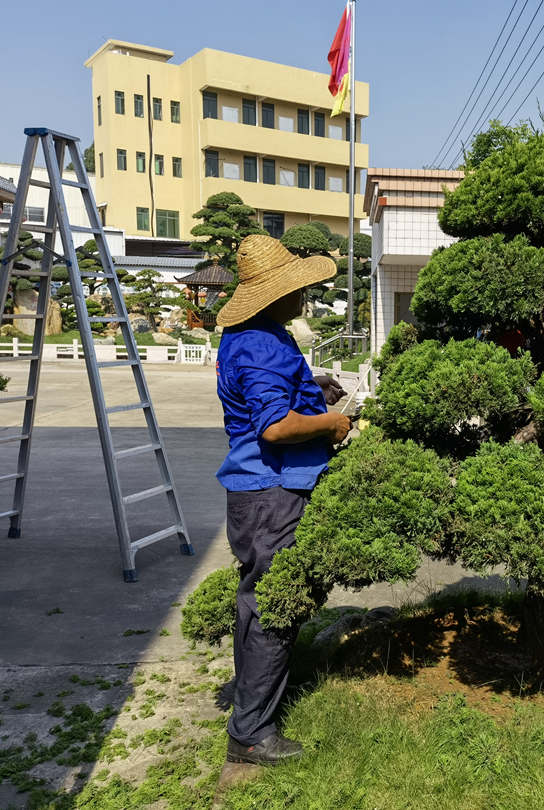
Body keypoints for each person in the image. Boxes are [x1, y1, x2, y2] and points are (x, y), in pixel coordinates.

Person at [214, 234, 351, 766]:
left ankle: (251, 710)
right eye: (298, 289)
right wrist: (333, 422)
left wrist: (312, 386)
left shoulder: (248, 336)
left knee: (255, 602)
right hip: (272, 491)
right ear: (276, 295)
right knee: (273, 605)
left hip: (253, 492)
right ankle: (252, 733)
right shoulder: (266, 344)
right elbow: (274, 427)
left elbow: (263, 397)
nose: (305, 297)